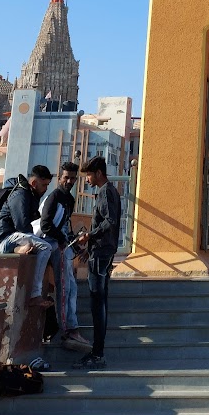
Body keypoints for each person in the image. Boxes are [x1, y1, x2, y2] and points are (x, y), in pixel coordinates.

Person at [39, 160, 90, 350]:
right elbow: (46, 226)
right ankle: (67, 330)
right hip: (53, 245)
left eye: (73, 179)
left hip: (63, 246)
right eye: (66, 178)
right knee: (64, 289)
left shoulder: (69, 199)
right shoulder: (53, 198)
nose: (69, 181)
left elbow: (66, 227)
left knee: (72, 289)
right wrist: (61, 241)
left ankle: (72, 328)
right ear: (59, 178)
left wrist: (76, 247)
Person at [79, 155, 121, 369]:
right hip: (102, 251)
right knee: (100, 301)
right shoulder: (109, 191)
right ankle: (98, 352)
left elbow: (110, 221)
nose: (87, 179)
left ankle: (97, 353)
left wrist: (89, 237)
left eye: (88, 175)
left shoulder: (105, 192)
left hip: (101, 253)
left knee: (98, 302)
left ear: (98, 174)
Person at [0, 164, 55, 303]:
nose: (45, 189)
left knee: (48, 245)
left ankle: (19, 249)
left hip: (15, 238)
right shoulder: (20, 195)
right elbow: (22, 225)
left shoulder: (30, 195)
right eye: (44, 185)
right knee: (45, 247)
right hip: (6, 239)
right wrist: (35, 240)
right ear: (34, 183)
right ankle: (35, 294)